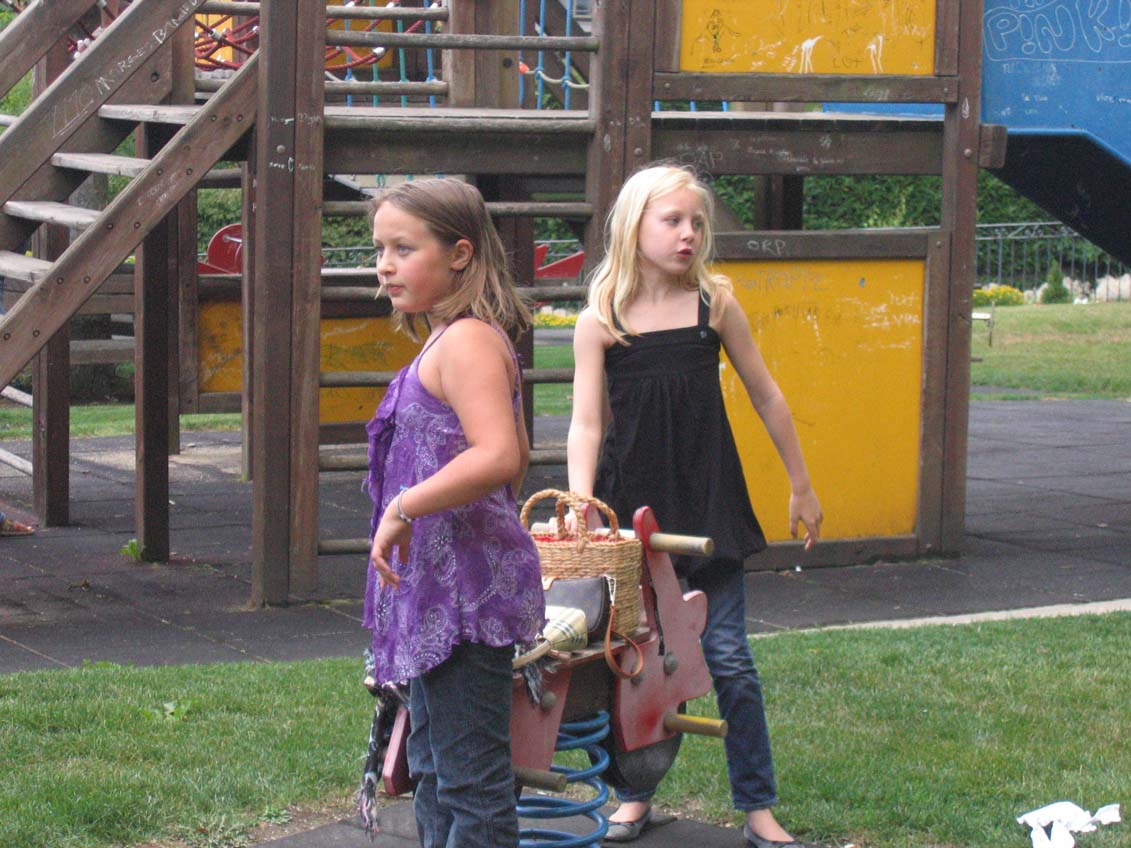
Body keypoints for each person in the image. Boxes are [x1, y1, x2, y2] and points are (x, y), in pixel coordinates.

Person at [566, 165, 825, 848]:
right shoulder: (601, 321)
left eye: (696, 222)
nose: (688, 234)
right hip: (633, 513)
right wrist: (582, 502)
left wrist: (800, 483)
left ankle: (758, 807)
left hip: (709, 506)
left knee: (729, 659)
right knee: (637, 663)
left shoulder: (715, 305)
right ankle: (635, 795)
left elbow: (767, 395)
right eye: (672, 220)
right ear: (634, 228)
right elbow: (586, 424)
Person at [362, 178, 544, 848]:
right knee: (435, 772)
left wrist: (406, 505)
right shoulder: (449, 339)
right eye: (379, 249)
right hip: (442, 593)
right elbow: (518, 453)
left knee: (471, 784)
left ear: (460, 253)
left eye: (403, 248)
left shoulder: (467, 341)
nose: (384, 265)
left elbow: (499, 455)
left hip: (463, 601)